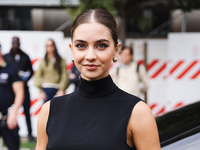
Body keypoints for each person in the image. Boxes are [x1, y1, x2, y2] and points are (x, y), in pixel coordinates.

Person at [36, 9, 161, 150]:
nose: (90, 56)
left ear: (116, 50)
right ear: (72, 50)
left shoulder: (138, 112)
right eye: (81, 46)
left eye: (101, 45)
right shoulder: (49, 111)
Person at [4, 37, 35, 141]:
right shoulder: (6, 57)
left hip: (23, 87)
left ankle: (29, 133)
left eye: (16, 43)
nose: (15, 44)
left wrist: (25, 80)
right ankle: (6, 131)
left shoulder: (25, 57)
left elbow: (31, 72)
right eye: (13, 43)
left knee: (27, 112)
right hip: (10, 90)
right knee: (7, 111)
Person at [0, 43, 24, 150]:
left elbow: (19, 92)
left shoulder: (11, 69)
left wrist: (14, 113)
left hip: (6, 118)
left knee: (14, 147)